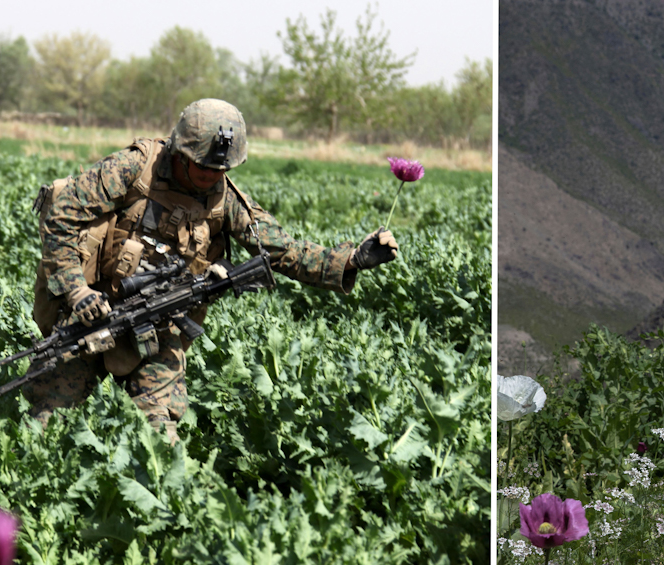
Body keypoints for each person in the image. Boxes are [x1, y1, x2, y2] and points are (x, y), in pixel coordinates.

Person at [26, 98, 399, 440]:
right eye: (202, 166)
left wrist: (351, 260)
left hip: (158, 325)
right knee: (49, 418)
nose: (211, 175)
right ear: (180, 151)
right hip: (91, 312)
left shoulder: (227, 201)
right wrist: (76, 291)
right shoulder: (133, 167)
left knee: (159, 439)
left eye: (221, 168)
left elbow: (283, 251)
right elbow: (61, 217)